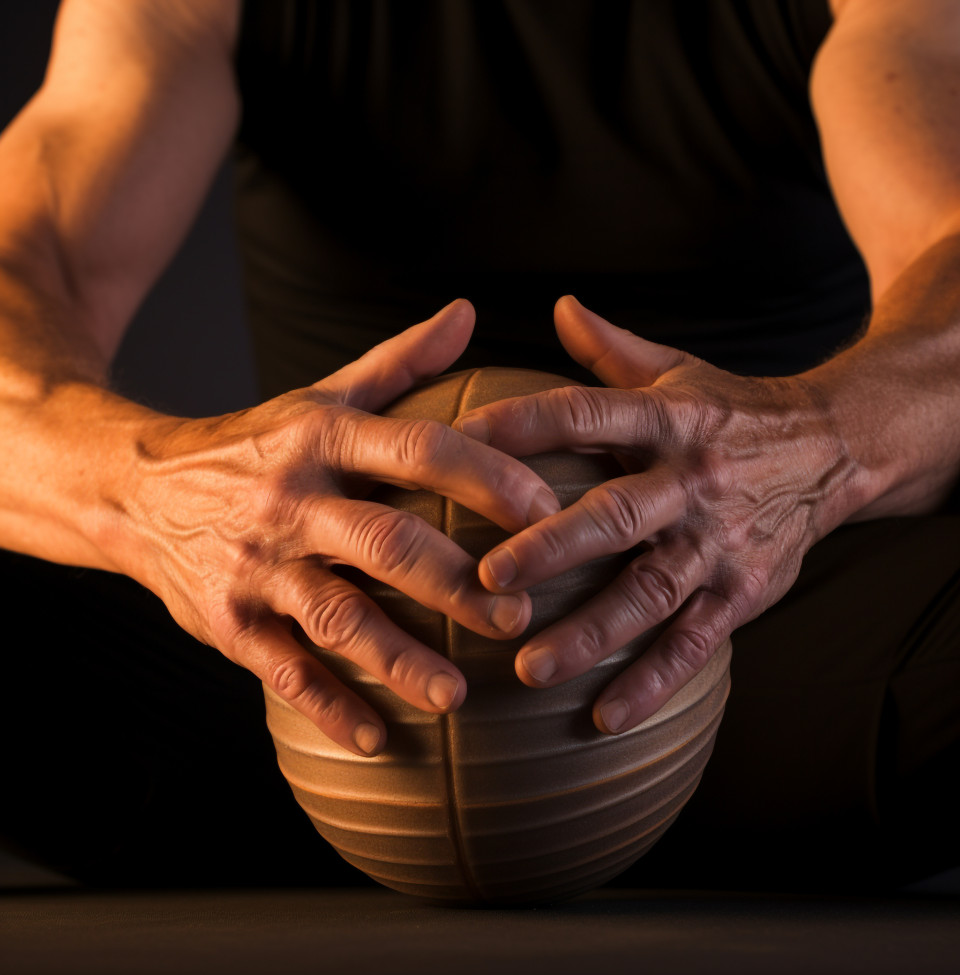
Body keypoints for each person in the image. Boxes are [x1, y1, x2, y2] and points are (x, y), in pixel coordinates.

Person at [0, 0, 957, 889]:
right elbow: (24, 253)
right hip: (304, 671)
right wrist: (153, 492)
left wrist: (810, 447)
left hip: (752, 639)